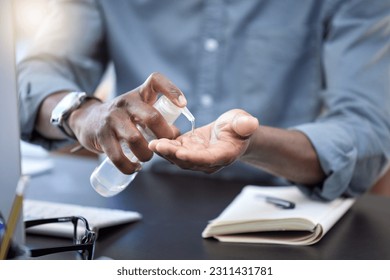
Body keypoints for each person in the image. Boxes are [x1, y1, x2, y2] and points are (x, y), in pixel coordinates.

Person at [18, 0, 390, 201]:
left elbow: (368, 131)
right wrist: (83, 113)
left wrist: (252, 143)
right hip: (139, 203)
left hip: (283, 214)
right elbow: (32, 77)